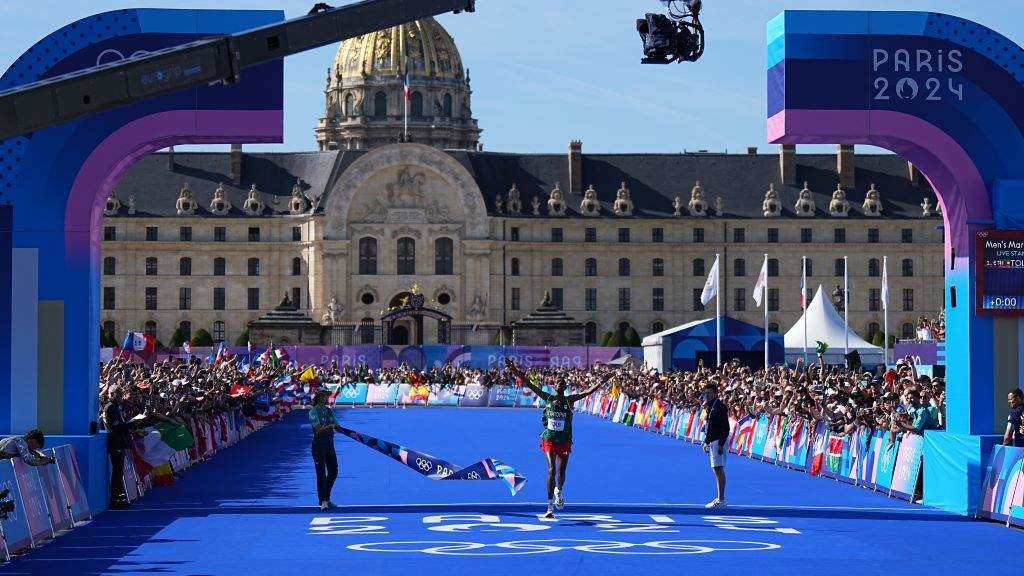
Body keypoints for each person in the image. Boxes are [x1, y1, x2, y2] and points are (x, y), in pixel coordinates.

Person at [505, 358, 606, 519]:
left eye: (562, 382)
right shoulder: (548, 398)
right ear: (554, 386)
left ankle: (559, 491)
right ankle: (550, 506)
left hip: (564, 440)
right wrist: (514, 370)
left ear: (565, 387)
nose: (560, 384)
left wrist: (602, 382)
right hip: (549, 439)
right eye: (557, 382)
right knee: (551, 469)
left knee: (561, 473)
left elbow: (587, 392)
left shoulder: (569, 399)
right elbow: (528, 383)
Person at [103, 385, 136, 509]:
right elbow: (116, 426)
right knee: (117, 471)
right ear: (112, 395)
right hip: (115, 442)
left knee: (119, 471)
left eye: (121, 394)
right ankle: (115, 499)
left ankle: (119, 497)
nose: (121, 397)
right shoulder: (110, 407)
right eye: (118, 395)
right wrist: (130, 425)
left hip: (120, 441)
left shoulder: (116, 407)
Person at [309, 390, 341, 510]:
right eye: (322, 396)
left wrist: (336, 426)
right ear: (317, 398)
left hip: (329, 445)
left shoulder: (328, 410)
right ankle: (322, 501)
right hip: (318, 445)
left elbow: (336, 425)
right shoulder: (313, 411)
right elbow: (317, 429)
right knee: (321, 473)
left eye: (326, 396)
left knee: (333, 471)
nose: (325, 398)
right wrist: (330, 426)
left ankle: (326, 498)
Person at [701, 382, 730, 508]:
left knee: (718, 469)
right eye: (705, 393)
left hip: (719, 440)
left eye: (709, 393)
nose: (706, 395)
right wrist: (706, 441)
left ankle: (721, 499)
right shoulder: (710, 406)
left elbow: (725, 427)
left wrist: (721, 443)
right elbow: (710, 426)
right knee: (716, 469)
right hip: (712, 440)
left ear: (715, 393)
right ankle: (720, 498)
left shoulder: (720, 406)